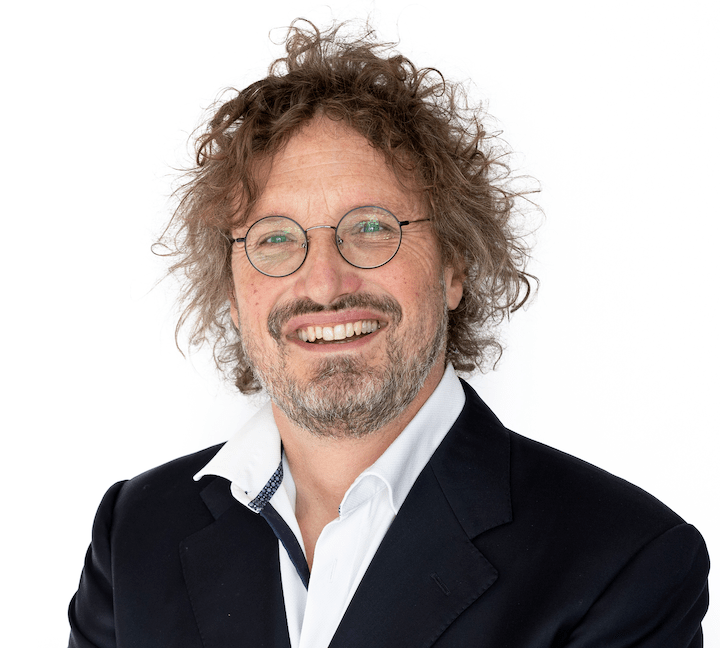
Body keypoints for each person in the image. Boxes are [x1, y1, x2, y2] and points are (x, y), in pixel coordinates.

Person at [68, 21, 709, 648]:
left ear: (454, 266)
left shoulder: (621, 562)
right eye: (276, 238)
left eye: (372, 227)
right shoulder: (136, 534)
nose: (324, 283)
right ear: (233, 294)